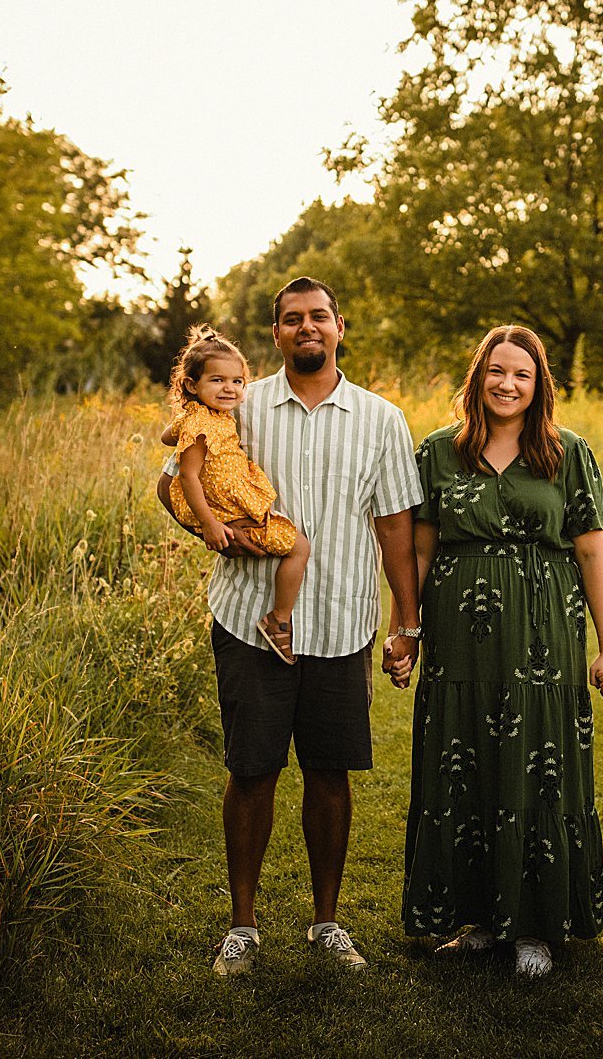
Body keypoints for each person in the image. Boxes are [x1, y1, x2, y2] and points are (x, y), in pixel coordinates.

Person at [155, 278, 421, 978]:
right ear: (275, 332)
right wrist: (214, 528)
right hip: (249, 617)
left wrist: (407, 622)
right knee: (251, 770)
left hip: (341, 622)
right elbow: (171, 479)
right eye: (291, 319)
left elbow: (396, 526)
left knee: (330, 773)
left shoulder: (381, 417)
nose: (307, 327)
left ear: (341, 325)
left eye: (319, 317)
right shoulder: (239, 401)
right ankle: (242, 925)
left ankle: (326, 919)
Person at [387, 324, 603, 979]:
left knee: (536, 767)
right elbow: (419, 551)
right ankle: (476, 919)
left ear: (539, 383)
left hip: (544, 640)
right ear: (478, 375)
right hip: (461, 643)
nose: (506, 383)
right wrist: (405, 628)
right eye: (496, 370)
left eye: (521, 374)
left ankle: (533, 925)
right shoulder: (439, 452)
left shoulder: (566, 452)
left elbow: (593, 552)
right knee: (462, 763)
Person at [160, 324, 310, 663]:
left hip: (227, 501)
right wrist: (210, 524)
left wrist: (182, 419)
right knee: (300, 547)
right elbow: (187, 477)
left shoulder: (201, 415)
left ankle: (277, 619)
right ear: (191, 384)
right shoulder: (201, 426)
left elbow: (166, 436)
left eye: (237, 381)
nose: (229, 388)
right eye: (217, 380)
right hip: (223, 512)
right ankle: (278, 620)